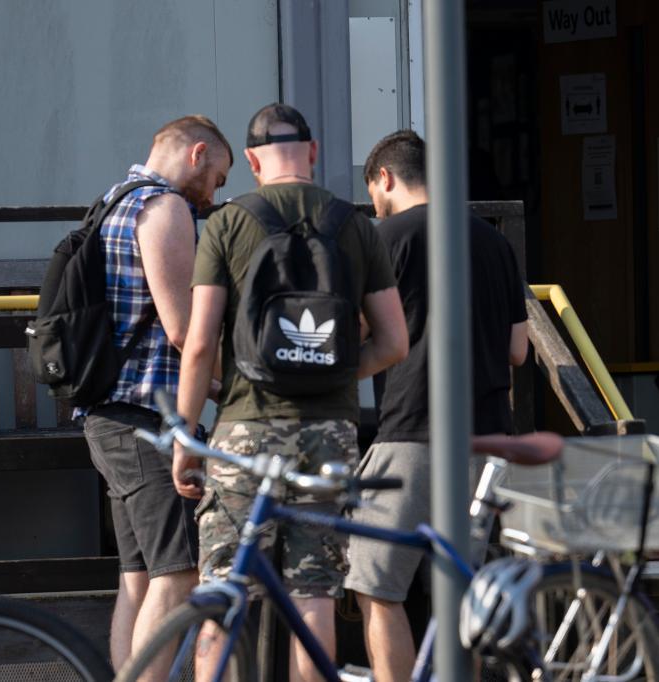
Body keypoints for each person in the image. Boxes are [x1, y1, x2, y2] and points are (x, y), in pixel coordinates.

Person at [173, 103, 408, 681]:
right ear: (313, 152)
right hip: (329, 437)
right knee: (314, 595)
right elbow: (394, 342)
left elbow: (198, 345)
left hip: (243, 431)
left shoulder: (228, 223)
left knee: (224, 592)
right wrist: (334, 374)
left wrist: (184, 438)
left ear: (252, 161)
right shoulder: (355, 225)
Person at [346, 130, 529, 681]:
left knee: (375, 583)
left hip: (413, 430)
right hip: (489, 439)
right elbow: (518, 350)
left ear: (384, 178)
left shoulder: (384, 238)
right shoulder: (493, 241)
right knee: (460, 593)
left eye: (374, 194)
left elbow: (358, 332)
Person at [80, 115, 233, 671]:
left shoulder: (112, 202)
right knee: (179, 573)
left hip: (110, 416)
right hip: (146, 419)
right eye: (218, 178)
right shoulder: (164, 208)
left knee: (139, 577)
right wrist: (232, 383)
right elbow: (183, 329)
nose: (214, 194)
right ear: (197, 154)